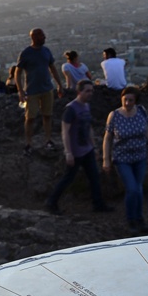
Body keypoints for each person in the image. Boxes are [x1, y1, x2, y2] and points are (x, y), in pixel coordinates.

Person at [47, 81, 108, 215]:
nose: (90, 93)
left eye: (91, 91)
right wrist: (68, 152)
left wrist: (94, 147)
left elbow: (88, 128)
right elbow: (65, 132)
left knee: (94, 177)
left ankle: (98, 204)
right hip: (76, 152)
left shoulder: (86, 106)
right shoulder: (71, 109)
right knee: (68, 178)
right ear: (79, 92)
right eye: (87, 91)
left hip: (87, 150)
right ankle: (51, 202)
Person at [101, 88, 148, 233]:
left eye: (130, 100)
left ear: (136, 101)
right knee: (132, 189)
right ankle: (131, 219)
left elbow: (146, 130)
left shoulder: (141, 112)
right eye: (124, 99)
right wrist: (106, 159)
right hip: (122, 159)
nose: (127, 103)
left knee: (138, 189)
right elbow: (107, 138)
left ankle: (139, 218)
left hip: (140, 157)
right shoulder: (114, 115)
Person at [18, 27, 60, 148]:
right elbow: (18, 72)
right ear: (34, 37)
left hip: (47, 89)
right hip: (32, 91)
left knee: (48, 115)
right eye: (42, 35)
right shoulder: (26, 53)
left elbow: (52, 68)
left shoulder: (46, 51)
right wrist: (20, 91)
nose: (44, 37)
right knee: (30, 117)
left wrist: (59, 85)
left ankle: (48, 139)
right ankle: (28, 142)